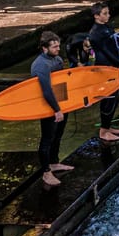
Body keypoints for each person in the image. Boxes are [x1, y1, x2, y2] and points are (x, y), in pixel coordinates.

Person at [31, 31, 75, 187]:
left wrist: (74, 102)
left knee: (58, 135)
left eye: (58, 46)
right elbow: (46, 90)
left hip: (61, 104)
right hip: (48, 106)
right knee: (47, 139)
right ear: (44, 48)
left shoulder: (56, 59)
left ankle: (54, 162)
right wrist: (56, 110)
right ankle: (46, 172)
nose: (58, 49)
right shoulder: (41, 65)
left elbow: (63, 83)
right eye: (54, 46)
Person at [87, 1, 119, 142]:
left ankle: (107, 126)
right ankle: (103, 131)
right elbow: (107, 52)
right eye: (105, 13)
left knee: (116, 97)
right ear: (96, 16)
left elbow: (115, 45)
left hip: (113, 66)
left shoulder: (107, 26)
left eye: (108, 12)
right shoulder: (95, 33)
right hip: (105, 68)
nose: (108, 15)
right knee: (109, 99)